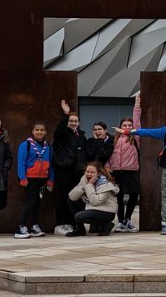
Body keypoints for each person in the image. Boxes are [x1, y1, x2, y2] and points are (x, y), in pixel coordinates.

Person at [52, 99, 87, 233]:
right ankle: (60, 224)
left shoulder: (81, 136)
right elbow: (59, 131)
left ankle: (71, 223)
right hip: (63, 170)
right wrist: (65, 114)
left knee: (73, 198)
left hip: (77, 172)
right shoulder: (63, 134)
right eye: (70, 121)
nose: (73, 123)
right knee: (62, 197)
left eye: (75, 121)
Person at [15, 121, 53, 238]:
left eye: (42, 130)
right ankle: (20, 227)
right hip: (30, 178)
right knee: (30, 202)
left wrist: (51, 180)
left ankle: (35, 226)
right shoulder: (25, 145)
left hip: (42, 179)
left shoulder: (49, 147)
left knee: (38, 203)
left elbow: (51, 165)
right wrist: (22, 177)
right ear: (32, 131)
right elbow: (21, 162)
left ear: (46, 132)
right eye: (37, 130)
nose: (39, 132)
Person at [110, 94, 141, 231]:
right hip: (116, 171)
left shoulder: (135, 138)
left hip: (131, 170)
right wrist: (107, 168)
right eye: (124, 125)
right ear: (120, 126)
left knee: (134, 193)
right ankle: (121, 222)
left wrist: (137, 105)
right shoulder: (114, 139)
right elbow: (109, 155)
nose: (127, 127)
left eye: (129, 125)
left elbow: (137, 121)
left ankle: (128, 219)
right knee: (118, 196)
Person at [66, 162, 119, 236]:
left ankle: (106, 224)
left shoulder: (105, 184)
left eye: (92, 172)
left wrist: (89, 185)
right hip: (93, 207)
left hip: (106, 212)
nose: (89, 174)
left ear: (98, 173)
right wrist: (84, 186)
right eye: (87, 171)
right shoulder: (84, 180)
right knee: (70, 201)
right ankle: (80, 230)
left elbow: (95, 201)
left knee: (79, 216)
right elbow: (72, 196)